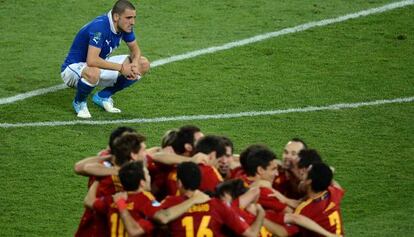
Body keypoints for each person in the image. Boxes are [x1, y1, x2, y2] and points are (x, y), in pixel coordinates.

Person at [61, 0, 150, 118]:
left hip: (98, 65)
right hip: (73, 69)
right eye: (128, 17)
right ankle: (79, 102)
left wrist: (133, 64)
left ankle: (103, 96)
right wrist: (121, 68)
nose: (132, 22)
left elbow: (135, 50)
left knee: (143, 64)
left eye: (134, 17)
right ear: (116, 16)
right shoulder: (100, 28)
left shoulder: (124, 26)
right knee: (93, 72)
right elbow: (91, 60)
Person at [84, 161, 211, 237]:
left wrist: (97, 179)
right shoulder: (145, 199)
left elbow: (89, 201)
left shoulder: (112, 199)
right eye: (148, 175)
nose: (150, 177)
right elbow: (163, 217)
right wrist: (193, 200)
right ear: (142, 182)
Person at [160, 162, 265, 237]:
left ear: (179, 183)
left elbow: (154, 217)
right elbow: (252, 234)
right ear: (199, 181)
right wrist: (261, 214)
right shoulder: (218, 205)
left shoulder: (170, 202)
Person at [294, 163, 345, 236]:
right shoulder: (333, 193)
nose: (302, 172)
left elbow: (286, 230)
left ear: (309, 181)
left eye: (306, 171)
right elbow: (337, 186)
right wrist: (327, 174)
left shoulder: (304, 210)